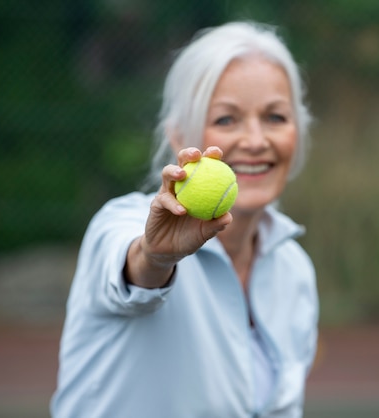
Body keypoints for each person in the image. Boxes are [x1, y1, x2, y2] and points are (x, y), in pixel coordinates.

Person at [51, 20, 319, 418]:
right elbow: (133, 267)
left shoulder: (294, 270)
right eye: (226, 119)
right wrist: (156, 257)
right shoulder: (122, 223)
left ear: (298, 131)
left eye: (275, 117)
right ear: (179, 137)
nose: (256, 140)